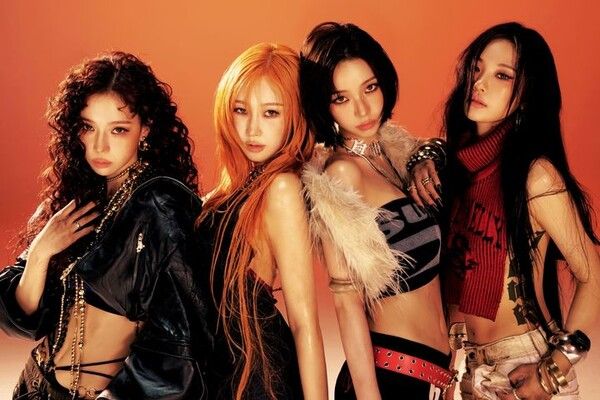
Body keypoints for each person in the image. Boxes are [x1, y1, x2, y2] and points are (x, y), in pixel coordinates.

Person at [0, 52, 211, 399]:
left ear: (145, 129)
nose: (100, 146)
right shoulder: (78, 198)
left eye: (118, 130)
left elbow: (183, 339)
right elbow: (23, 319)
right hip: (32, 387)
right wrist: (40, 253)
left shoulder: (160, 204)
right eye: (88, 127)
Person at [441, 22, 600, 400]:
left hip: (524, 365)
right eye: (476, 69)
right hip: (468, 370)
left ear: (527, 96)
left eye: (502, 75)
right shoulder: (454, 170)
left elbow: (594, 276)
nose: (479, 83)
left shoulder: (536, 176)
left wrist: (553, 370)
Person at [300, 22, 451, 399]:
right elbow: (346, 302)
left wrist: (427, 154)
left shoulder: (393, 154)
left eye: (370, 88)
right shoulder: (340, 175)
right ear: (322, 104)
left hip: (435, 377)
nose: (363, 109)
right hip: (388, 378)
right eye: (341, 98)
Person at [196, 42, 327, 400]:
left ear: (295, 116)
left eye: (270, 113)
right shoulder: (232, 190)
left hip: (259, 375)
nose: (252, 129)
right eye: (241, 110)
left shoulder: (281, 187)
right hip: (220, 371)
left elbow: (304, 322)